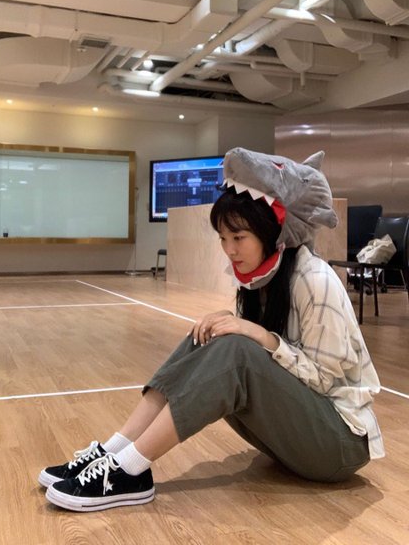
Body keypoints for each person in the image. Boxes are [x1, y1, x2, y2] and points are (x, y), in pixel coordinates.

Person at [39, 148, 384, 513]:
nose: (229, 250)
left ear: (268, 233)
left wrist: (259, 336)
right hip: (300, 436)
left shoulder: (315, 280)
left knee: (236, 348)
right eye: (222, 238)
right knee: (212, 333)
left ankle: (131, 469)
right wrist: (238, 327)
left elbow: (326, 380)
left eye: (239, 238)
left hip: (339, 445)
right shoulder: (260, 281)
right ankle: (114, 450)